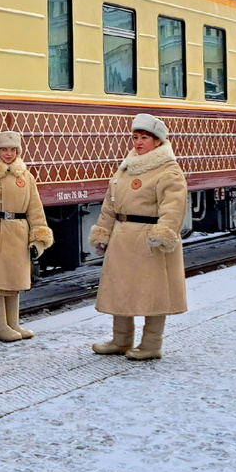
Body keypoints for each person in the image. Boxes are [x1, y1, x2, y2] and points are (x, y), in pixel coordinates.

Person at [89, 113, 188, 360]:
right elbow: (110, 204)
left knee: (153, 293)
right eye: (135, 137)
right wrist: (103, 232)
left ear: (157, 141)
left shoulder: (168, 170)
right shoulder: (127, 167)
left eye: (144, 137)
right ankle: (120, 340)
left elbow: (174, 207)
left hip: (148, 240)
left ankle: (151, 345)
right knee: (121, 290)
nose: (138, 142)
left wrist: (163, 234)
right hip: (122, 239)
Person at [0, 131, 54, 342]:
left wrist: (38, 238)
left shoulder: (26, 177)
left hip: (17, 233)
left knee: (14, 281)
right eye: (4, 149)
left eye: (13, 150)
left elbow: (35, 209)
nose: (8, 154)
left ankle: (12, 323)